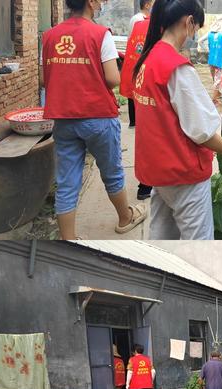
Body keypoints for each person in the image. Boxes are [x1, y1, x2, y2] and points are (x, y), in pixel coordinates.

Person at [132, 0, 222, 240]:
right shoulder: (176, 68)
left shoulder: (148, 59)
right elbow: (202, 132)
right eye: (196, 27)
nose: (194, 34)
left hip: (159, 169)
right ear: (188, 22)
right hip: (183, 171)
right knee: (199, 241)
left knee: (161, 238)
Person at [42, 0, 147, 240]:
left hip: (64, 118)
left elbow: (44, 78)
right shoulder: (100, 34)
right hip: (98, 116)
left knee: (67, 181)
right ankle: (125, 217)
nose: (102, 2)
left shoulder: (49, 36)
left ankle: (68, 239)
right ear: (90, 2)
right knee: (111, 171)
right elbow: (112, 79)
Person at [120, 15, 154, 200]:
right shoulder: (160, 25)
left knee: (145, 136)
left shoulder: (138, 24)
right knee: (152, 137)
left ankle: (145, 185)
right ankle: (146, 185)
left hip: (139, 77)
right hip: (151, 84)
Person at [198, 18, 222, 106]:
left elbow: (200, 41)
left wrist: (207, 49)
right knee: (218, 81)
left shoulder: (210, 34)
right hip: (220, 61)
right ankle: (214, 99)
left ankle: (219, 96)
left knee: (215, 79)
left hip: (211, 60)